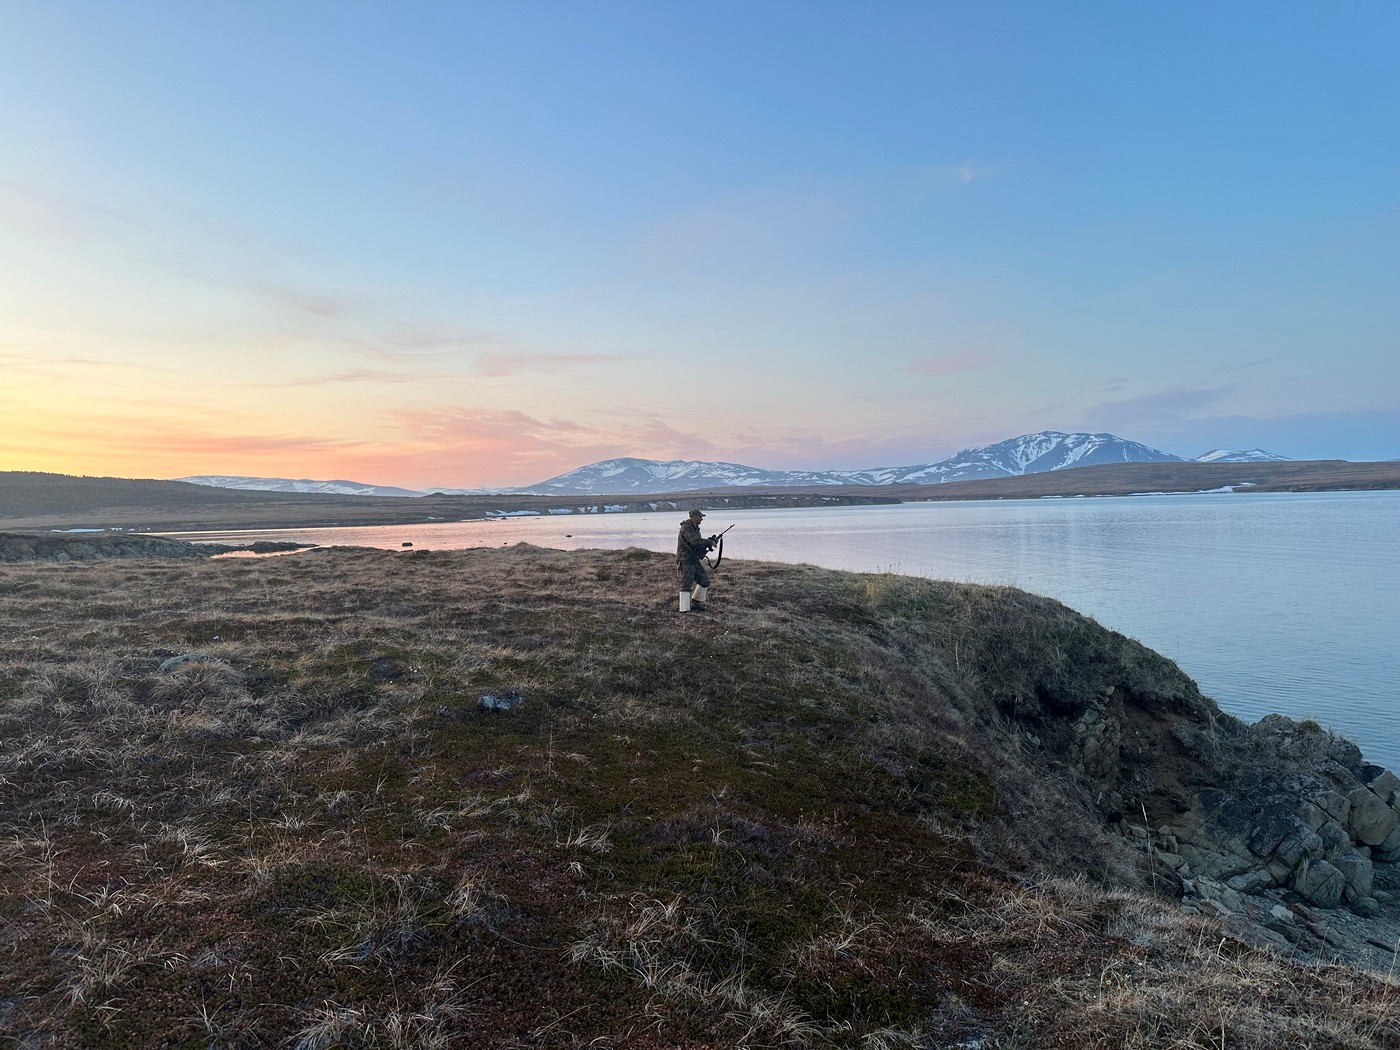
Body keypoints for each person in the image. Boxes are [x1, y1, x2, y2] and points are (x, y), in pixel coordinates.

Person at [676, 508, 718, 612]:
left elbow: (696, 543)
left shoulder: (694, 528)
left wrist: (709, 542)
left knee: (704, 581)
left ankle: (696, 603)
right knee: (686, 584)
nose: (701, 519)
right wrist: (709, 542)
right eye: (700, 517)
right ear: (694, 516)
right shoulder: (687, 528)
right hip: (686, 560)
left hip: (694, 559)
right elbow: (695, 541)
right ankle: (684, 609)